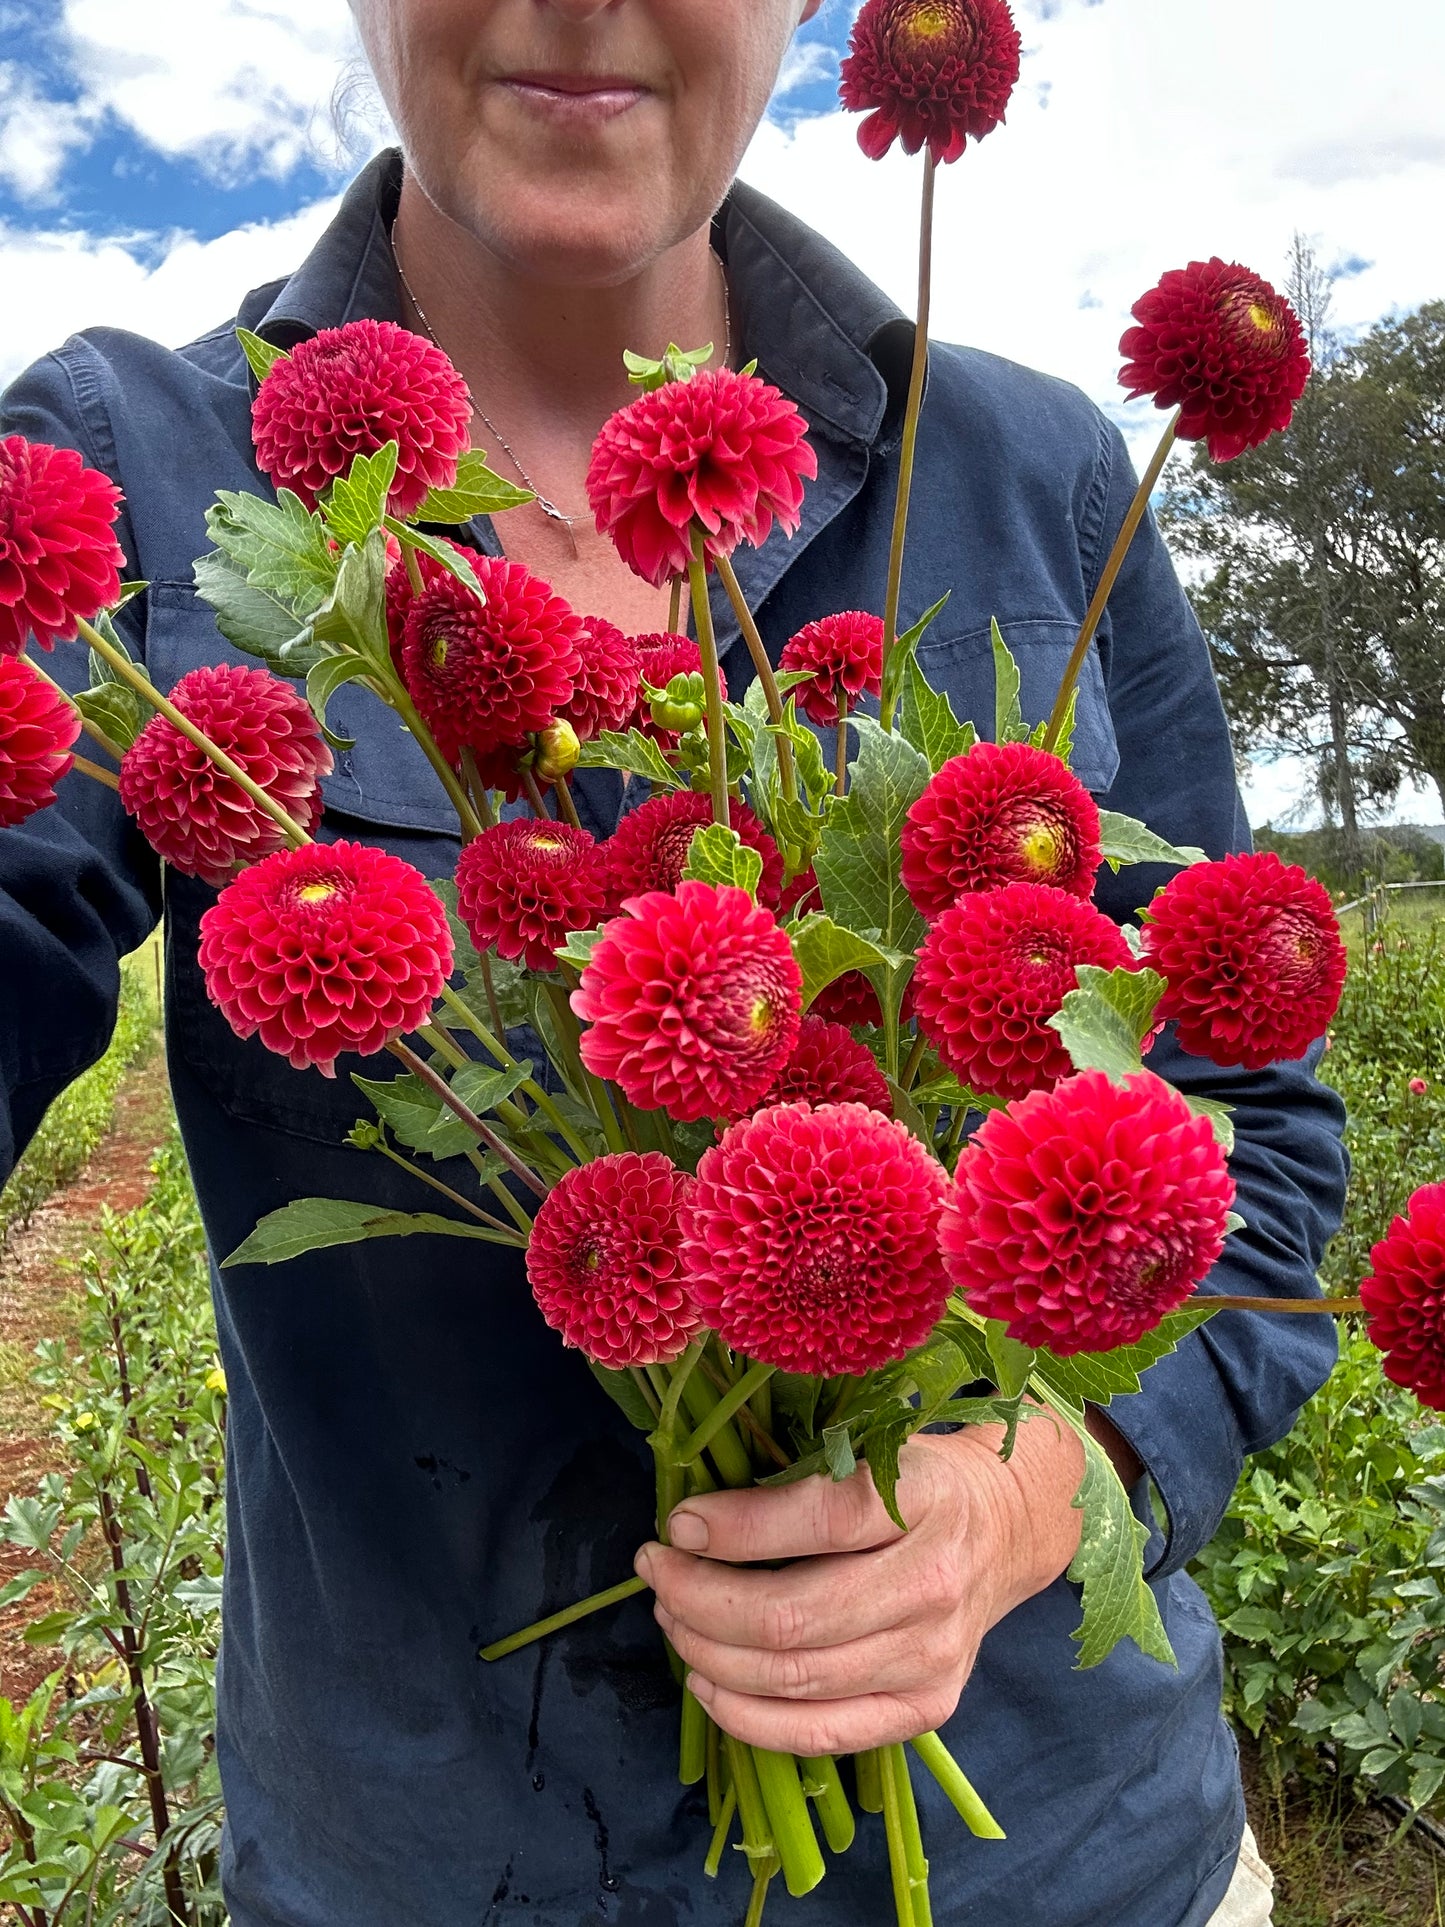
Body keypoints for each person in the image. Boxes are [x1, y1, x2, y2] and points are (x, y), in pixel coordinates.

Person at [0, 3, 1344, 1922]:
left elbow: (1252, 1132)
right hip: (450, 1868)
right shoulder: (129, 456)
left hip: (1066, 1855)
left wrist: (1031, 1491)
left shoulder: (1038, 473)